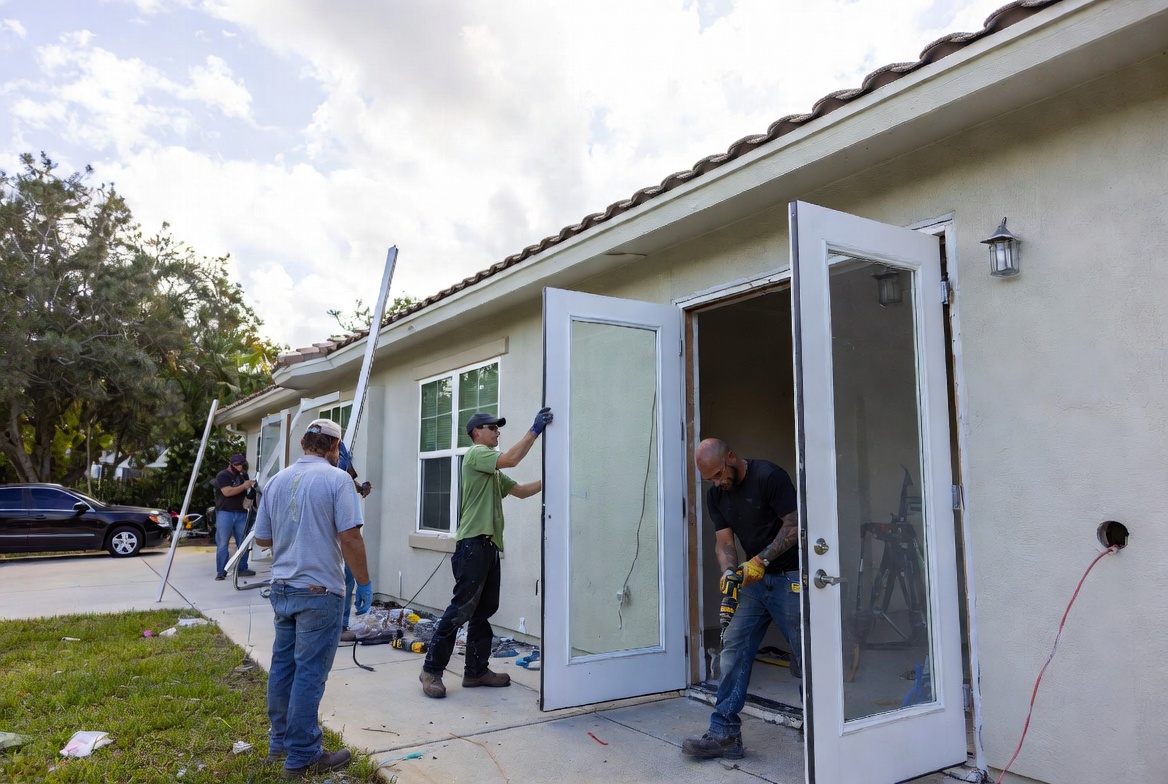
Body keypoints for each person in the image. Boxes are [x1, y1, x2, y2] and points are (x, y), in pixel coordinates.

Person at [253, 418, 372, 778]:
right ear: (335, 449)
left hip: (283, 588)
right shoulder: (337, 480)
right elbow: (350, 538)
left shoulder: (277, 480)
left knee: (284, 667)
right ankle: (303, 754)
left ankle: (280, 745)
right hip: (319, 592)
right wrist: (364, 584)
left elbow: (262, 540)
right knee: (309, 672)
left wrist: (296, 529)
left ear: (304, 443)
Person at [419, 407, 553, 699]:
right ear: (477, 433)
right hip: (472, 546)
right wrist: (535, 430)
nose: (497, 432)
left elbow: (520, 491)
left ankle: (476, 672)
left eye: (497, 428)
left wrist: (551, 479)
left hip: (488, 547)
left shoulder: (491, 471)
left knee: (483, 612)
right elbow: (513, 460)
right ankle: (431, 670)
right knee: (460, 611)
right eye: (492, 428)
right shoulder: (476, 454)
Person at [682, 438, 800, 761]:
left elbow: (794, 525)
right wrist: (730, 571)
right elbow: (724, 543)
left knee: (807, 655)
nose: (718, 483)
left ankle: (822, 730)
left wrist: (760, 561)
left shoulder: (769, 477)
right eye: (711, 480)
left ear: (731, 457)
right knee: (733, 648)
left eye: (720, 474)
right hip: (753, 582)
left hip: (791, 576)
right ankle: (724, 735)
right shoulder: (716, 496)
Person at [336, 440, 373, 638]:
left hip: (346, 528)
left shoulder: (341, 451)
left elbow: (348, 478)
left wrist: (361, 488)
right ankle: (336, 627)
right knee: (338, 579)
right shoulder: (330, 457)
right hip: (338, 532)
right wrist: (365, 583)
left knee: (347, 578)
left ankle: (341, 626)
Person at [213, 453, 256, 580]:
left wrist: (251, 489)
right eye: (236, 465)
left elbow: (248, 493)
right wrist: (244, 486)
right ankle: (221, 571)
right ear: (230, 464)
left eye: (241, 464)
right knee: (222, 543)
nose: (239, 467)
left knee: (243, 542)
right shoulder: (223, 475)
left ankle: (242, 568)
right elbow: (227, 492)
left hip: (241, 512)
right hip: (225, 513)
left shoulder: (243, 476)